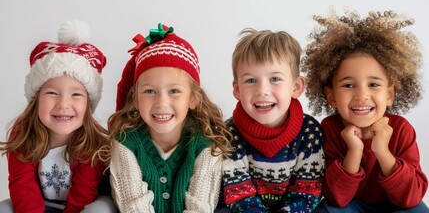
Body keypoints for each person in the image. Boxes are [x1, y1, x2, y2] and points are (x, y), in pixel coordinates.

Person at [302, 10, 429, 212]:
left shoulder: (401, 129)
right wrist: (354, 150)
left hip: (395, 205)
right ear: (331, 96)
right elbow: (337, 198)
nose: (362, 95)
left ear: (389, 94)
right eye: (348, 85)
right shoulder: (329, 129)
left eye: (373, 84)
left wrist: (382, 151)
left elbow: (411, 197)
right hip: (351, 205)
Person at [108, 23, 232, 212]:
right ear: (135, 99)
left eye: (174, 91)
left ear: (193, 98)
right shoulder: (126, 143)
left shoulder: (205, 145)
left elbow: (199, 207)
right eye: (150, 91)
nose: (161, 103)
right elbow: (133, 206)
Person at [0, 19, 116, 212]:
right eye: (52, 93)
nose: (63, 104)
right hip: (40, 205)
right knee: (4, 208)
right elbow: (22, 186)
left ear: (89, 104)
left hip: (83, 206)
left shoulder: (93, 141)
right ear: (36, 99)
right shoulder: (23, 134)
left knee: (101, 209)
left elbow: (84, 192)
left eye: (76, 94)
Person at [220, 28, 325, 212]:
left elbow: (307, 192)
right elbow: (239, 193)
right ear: (237, 90)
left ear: (296, 87)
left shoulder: (309, 131)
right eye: (251, 81)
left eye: (275, 78)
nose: (262, 90)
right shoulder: (230, 132)